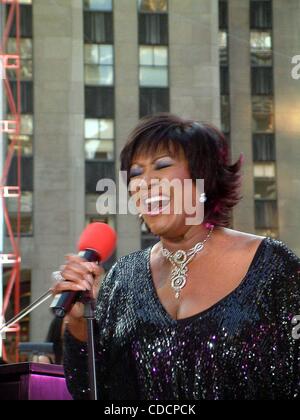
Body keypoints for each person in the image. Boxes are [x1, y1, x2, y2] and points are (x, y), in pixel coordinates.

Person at [52, 113, 300, 400]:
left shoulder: (273, 266)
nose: (144, 183)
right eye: (135, 173)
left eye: (162, 166)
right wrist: (80, 324)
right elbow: (90, 390)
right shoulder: (122, 278)